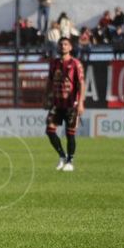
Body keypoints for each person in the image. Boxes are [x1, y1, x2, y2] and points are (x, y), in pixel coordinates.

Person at [44, 37, 85, 172]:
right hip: (56, 103)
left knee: (70, 133)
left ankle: (70, 161)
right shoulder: (54, 63)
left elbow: (81, 84)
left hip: (71, 104)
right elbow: (49, 82)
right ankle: (62, 156)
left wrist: (80, 103)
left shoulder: (75, 64)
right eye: (61, 44)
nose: (63, 46)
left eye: (66, 44)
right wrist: (46, 98)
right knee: (50, 130)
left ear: (70, 47)